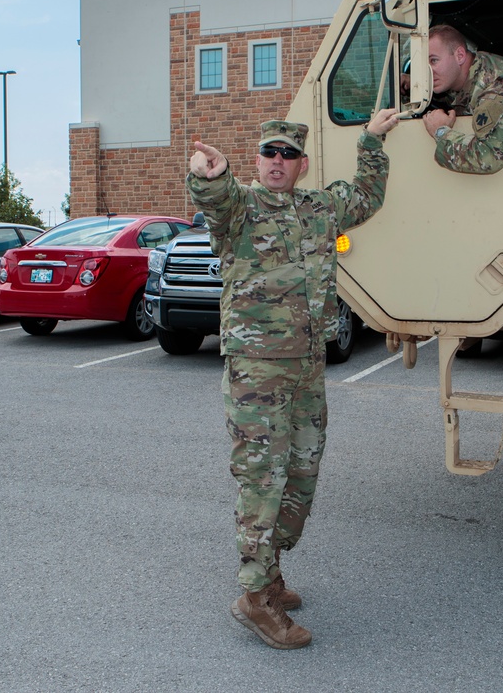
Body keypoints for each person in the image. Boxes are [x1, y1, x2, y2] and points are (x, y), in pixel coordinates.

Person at [187, 110, 399, 649]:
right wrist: (210, 175)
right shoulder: (240, 208)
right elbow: (216, 199)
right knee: (263, 478)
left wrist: (371, 139)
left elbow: (368, 194)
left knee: (301, 476)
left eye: (287, 155)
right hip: (257, 370)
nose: (278, 162)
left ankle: (271, 571)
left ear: (301, 165)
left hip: (307, 366)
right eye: (269, 153)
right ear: (257, 161)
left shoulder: (319, 209)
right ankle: (254, 596)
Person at [421, 24, 503, 174]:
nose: (427, 71)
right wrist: (412, 86)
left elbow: (488, 157)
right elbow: (458, 99)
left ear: (460, 56)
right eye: (422, 64)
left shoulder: (500, 89)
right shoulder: (468, 71)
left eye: (433, 61)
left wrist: (441, 132)